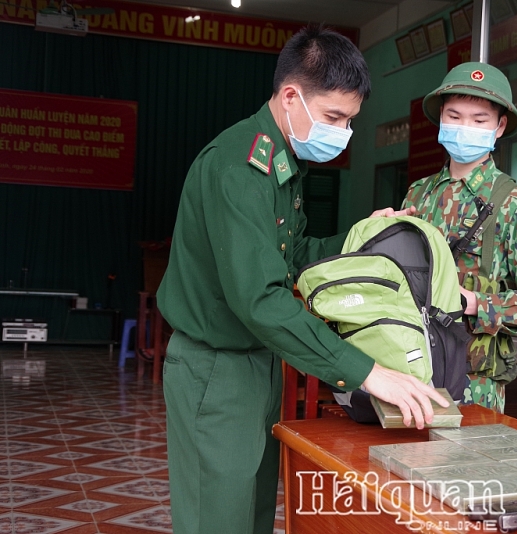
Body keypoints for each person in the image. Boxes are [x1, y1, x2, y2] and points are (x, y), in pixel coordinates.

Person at [156, 26, 448, 534]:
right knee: (216, 519)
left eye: (350, 121)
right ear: (291, 96)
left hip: (260, 362)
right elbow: (262, 299)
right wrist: (366, 372)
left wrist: (361, 239)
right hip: (217, 372)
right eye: (334, 117)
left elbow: (290, 260)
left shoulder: (281, 160)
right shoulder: (241, 167)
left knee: (250, 516)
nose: (343, 132)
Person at [402, 62, 517, 413]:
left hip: (474, 383)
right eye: (454, 117)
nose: (464, 128)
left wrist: (475, 304)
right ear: (440, 118)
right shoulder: (418, 194)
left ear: (500, 126)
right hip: (410, 368)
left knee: (465, 468)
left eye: (479, 120)